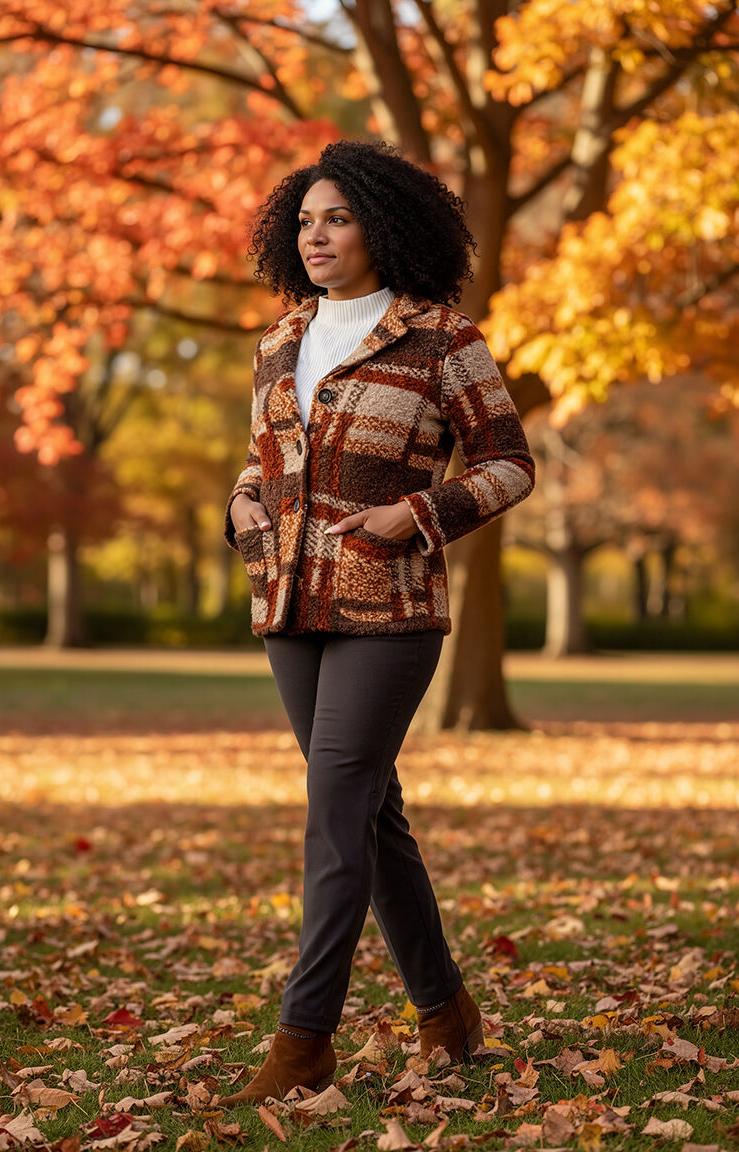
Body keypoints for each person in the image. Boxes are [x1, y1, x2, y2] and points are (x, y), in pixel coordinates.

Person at [221, 139, 535, 1106]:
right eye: (305, 220)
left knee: (335, 809)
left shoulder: (443, 338)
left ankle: (304, 1034)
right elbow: (262, 461)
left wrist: (421, 512)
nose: (317, 236)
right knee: (369, 815)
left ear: (383, 228)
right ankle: (445, 1011)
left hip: (389, 609)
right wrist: (238, 506)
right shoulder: (281, 339)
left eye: (338, 218)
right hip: (287, 605)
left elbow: (510, 463)